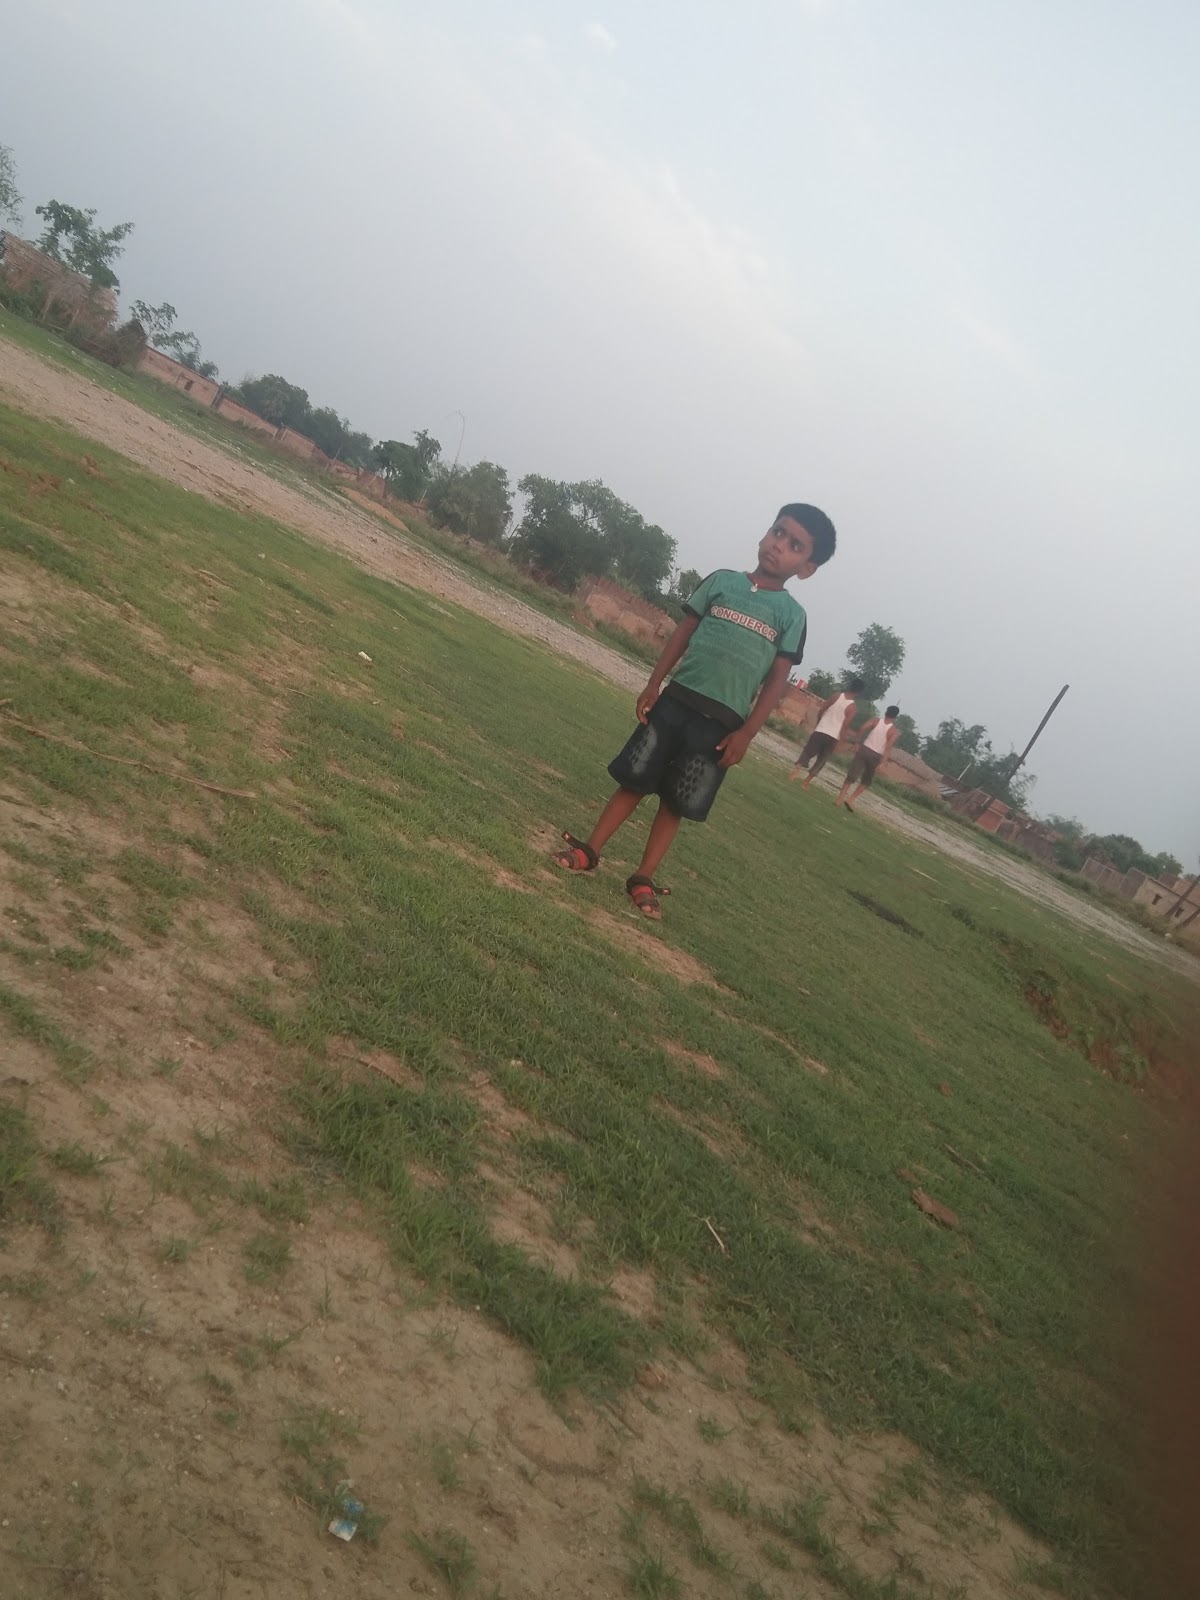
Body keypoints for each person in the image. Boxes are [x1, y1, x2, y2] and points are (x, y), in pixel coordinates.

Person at [552, 503, 838, 918]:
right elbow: (682, 635)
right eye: (778, 531)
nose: (779, 545)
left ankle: (643, 877)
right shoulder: (721, 582)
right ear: (766, 532)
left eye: (795, 545)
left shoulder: (792, 616)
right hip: (675, 701)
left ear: (807, 568)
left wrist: (746, 734)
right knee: (634, 781)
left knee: (676, 802)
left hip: (721, 725)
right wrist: (654, 684)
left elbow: (777, 681)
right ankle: (590, 851)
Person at [789, 677, 863, 788]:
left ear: (850, 685)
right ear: (859, 693)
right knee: (821, 760)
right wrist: (841, 741)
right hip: (833, 736)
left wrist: (819, 722)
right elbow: (844, 726)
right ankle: (806, 782)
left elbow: (822, 709)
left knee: (808, 752)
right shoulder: (852, 708)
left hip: (821, 729)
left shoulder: (836, 696)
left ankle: (795, 772)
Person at [836, 704, 901, 811]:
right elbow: (888, 748)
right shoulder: (893, 731)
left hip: (864, 749)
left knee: (852, 775)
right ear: (895, 717)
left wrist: (857, 742)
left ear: (886, 712)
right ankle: (850, 800)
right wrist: (883, 762)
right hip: (876, 756)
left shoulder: (875, 721)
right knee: (866, 781)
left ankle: (839, 798)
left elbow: (862, 728)